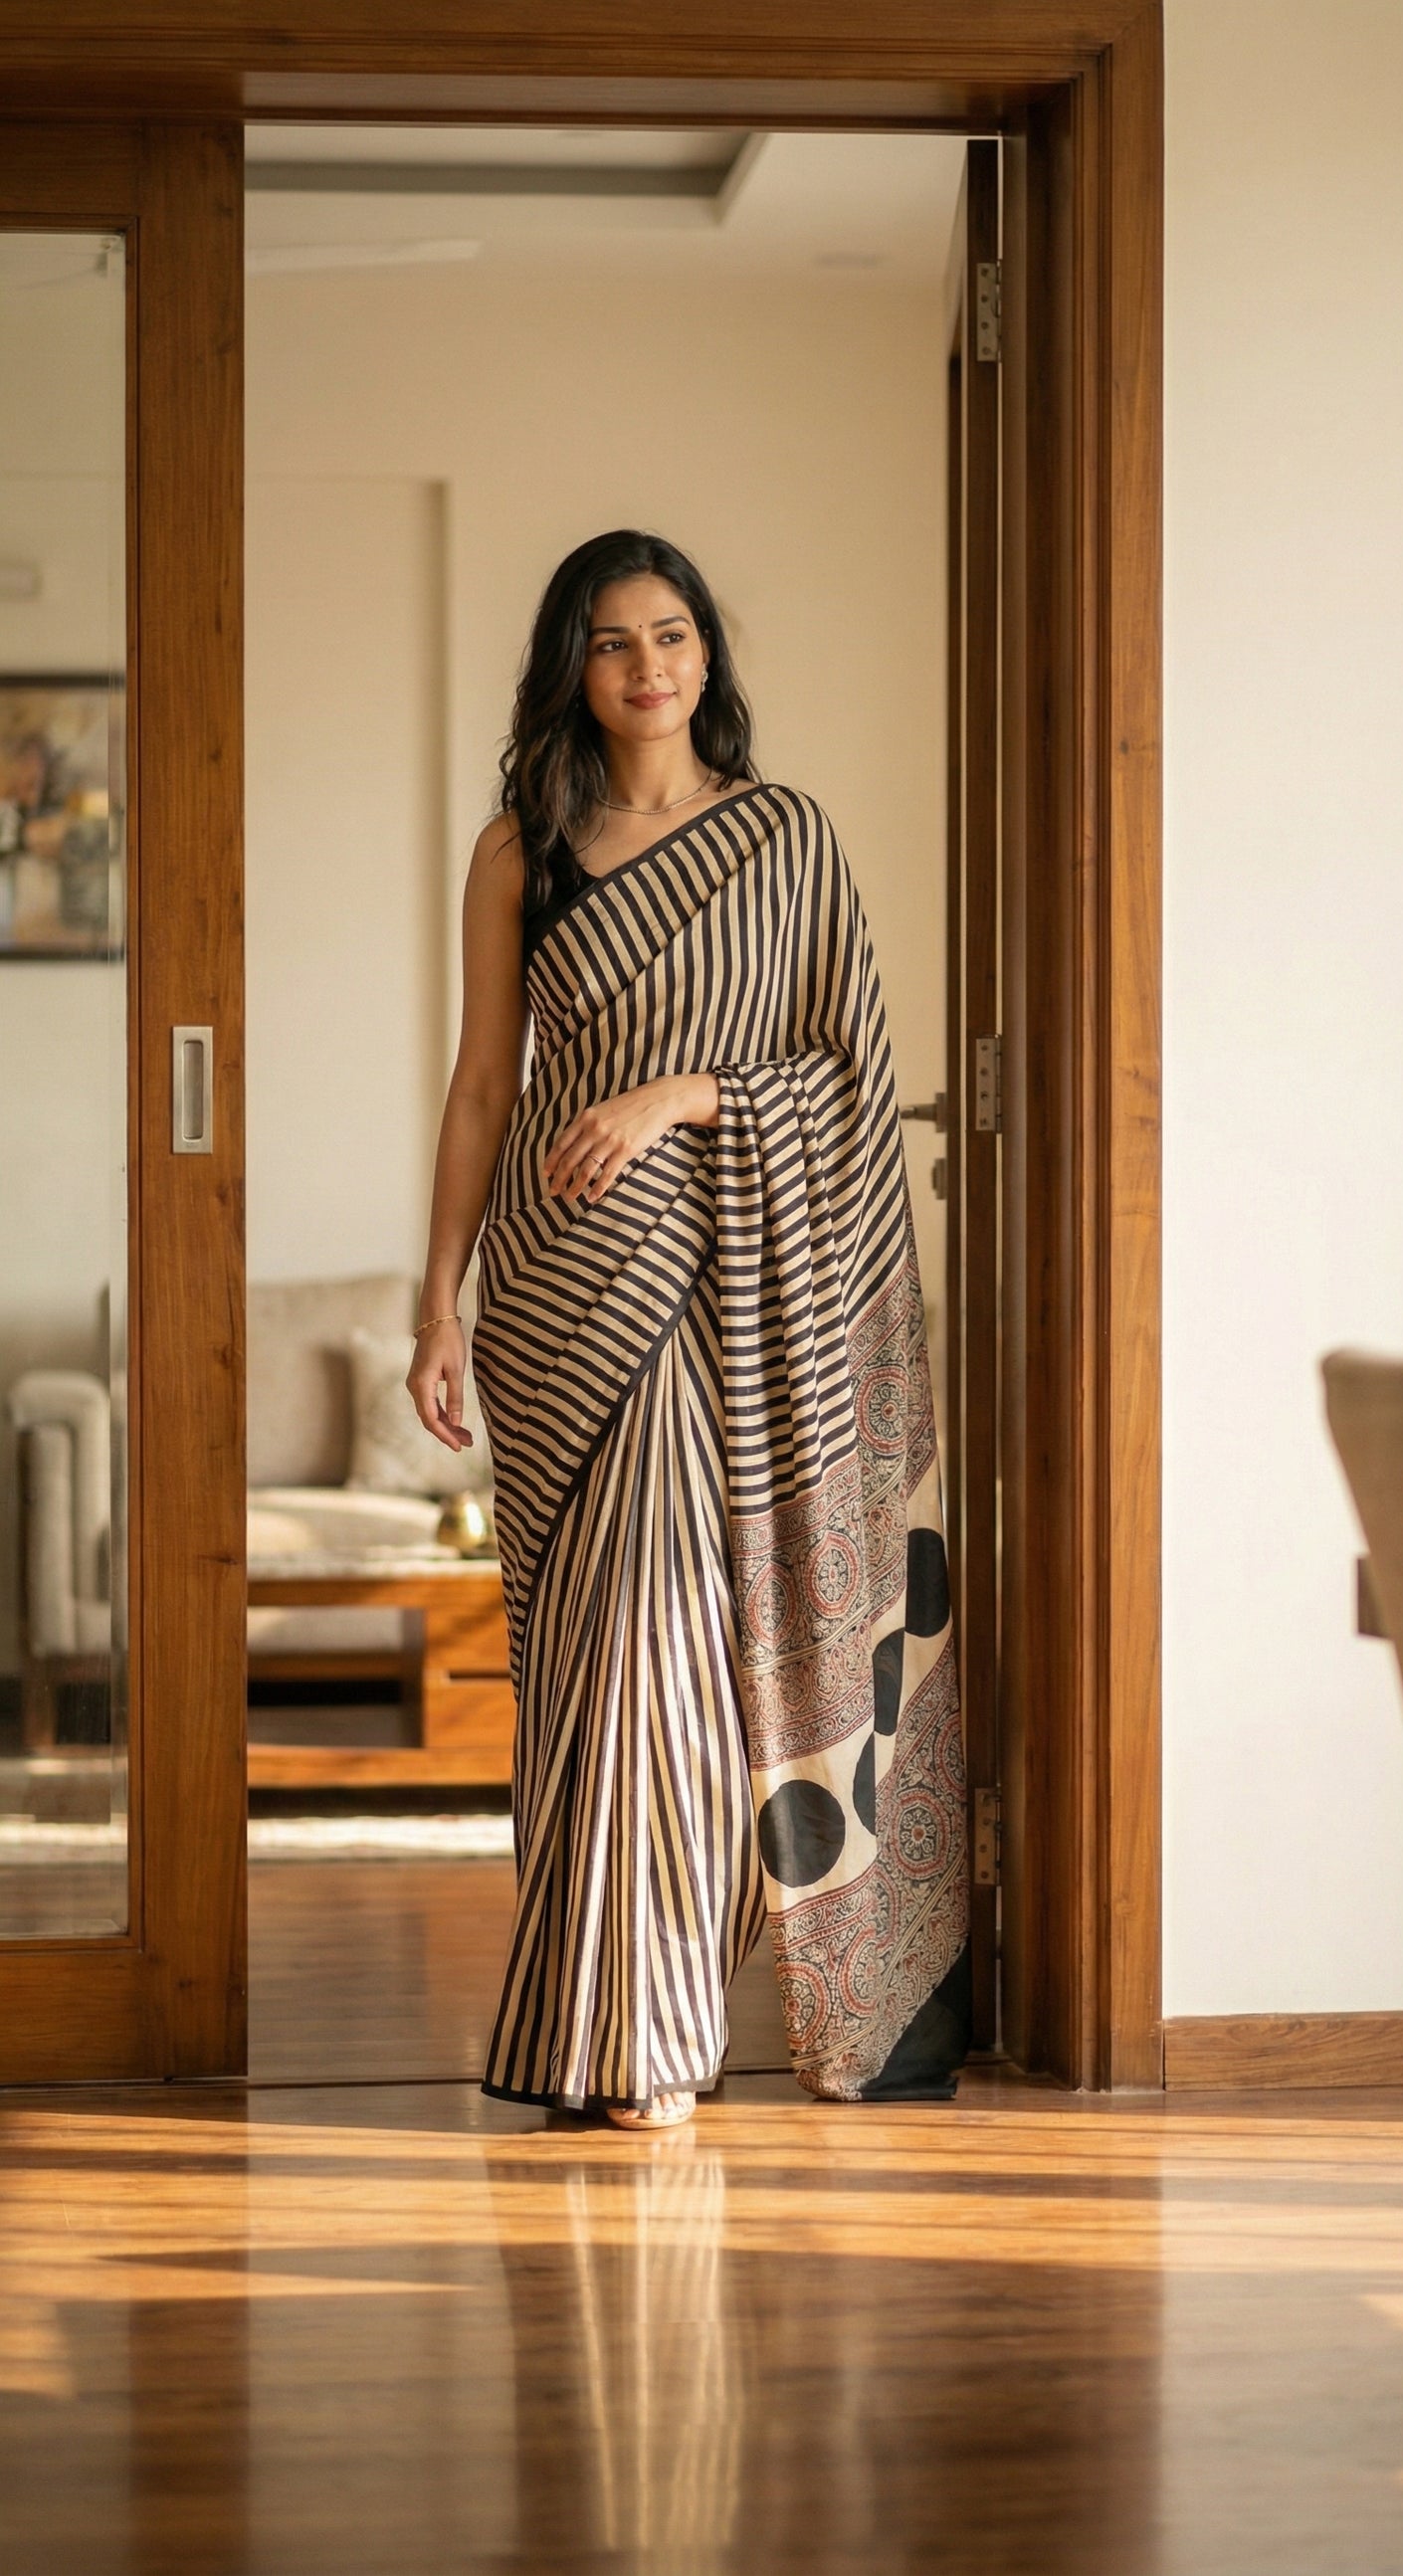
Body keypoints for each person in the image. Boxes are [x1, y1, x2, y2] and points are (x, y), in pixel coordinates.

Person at [408, 528, 970, 2131]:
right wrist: (434, 1298)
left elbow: (849, 1077)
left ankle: (643, 2036)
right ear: (570, 668)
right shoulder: (519, 850)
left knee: (684, 1664)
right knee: (594, 1667)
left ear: (707, 654)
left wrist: (687, 1093)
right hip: (560, 1293)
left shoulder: (783, 841)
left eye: (671, 635)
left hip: (730, 1292)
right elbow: (478, 1089)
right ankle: (618, 2033)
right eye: (610, 642)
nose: (646, 667)